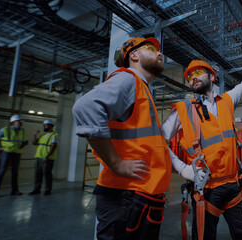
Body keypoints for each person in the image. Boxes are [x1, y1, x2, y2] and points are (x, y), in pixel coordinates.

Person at [162, 20, 242, 240]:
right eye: (189, 76)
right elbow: (158, 140)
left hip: (235, 186)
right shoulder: (182, 111)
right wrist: (182, 169)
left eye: (198, 72)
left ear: (212, 77)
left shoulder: (228, 100)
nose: (193, 76)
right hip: (206, 190)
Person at [72, 37, 171, 240]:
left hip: (138, 195)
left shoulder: (142, 88)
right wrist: (116, 163)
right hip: (125, 196)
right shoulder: (128, 79)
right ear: (133, 55)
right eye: (151, 49)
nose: (159, 53)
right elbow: (84, 108)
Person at [0, 114, 28, 198]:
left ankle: (14, 191)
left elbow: (19, 141)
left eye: (21, 122)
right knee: (2, 171)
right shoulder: (5, 130)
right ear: (14, 122)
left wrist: (24, 144)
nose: (21, 123)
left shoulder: (23, 131)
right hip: (7, 152)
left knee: (15, 172)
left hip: (17, 153)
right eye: (20, 121)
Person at [29, 120, 59, 196]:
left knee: (47, 174)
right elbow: (34, 143)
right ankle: (37, 189)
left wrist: (47, 157)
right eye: (44, 125)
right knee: (37, 174)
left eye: (47, 125)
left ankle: (47, 189)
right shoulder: (42, 135)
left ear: (52, 126)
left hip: (47, 158)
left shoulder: (54, 135)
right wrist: (34, 135)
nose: (45, 126)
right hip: (38, 157)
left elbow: (53, 146)